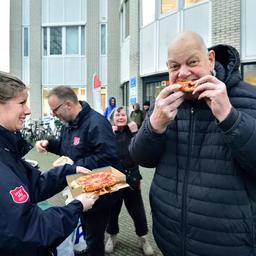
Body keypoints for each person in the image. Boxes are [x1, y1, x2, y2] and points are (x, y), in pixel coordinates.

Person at [129, 31, 256, 256]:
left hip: (230, 244)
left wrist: (229, 116)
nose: (183, 73)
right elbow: (141, 158)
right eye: (174, 66)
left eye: (192, 62)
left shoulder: (247, 98)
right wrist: (154, 126)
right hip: (169, 239)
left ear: (210, 59)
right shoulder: (165, 104)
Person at [0, 72, 98, 256]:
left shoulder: (6, 149)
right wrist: (76, 206)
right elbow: (28, 230)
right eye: (21, 103)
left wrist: (70, 170)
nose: (28, 110)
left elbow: (34, 184)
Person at [35, 86, 120, 256]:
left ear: (68, 104)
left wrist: (73, 165)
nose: (53, 114)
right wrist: (49, 144)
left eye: (54, 110)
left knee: (94, 238)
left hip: (98, 192)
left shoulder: (97, 123)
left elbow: (109, 157)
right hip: (79, 188)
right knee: (85, 230)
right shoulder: (69, 123)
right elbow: (67, 146)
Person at [104, 107, 154, 255]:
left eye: (123, 114)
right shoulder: (108, 133)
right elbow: (104, 154)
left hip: (132, 177)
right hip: (113, 179)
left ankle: (143, 238)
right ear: (113, 118)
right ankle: (112, 236)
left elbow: (142, 151)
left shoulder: (133, 132)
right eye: (117, 115)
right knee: (113, 211)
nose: (120, 117)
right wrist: (110, 135)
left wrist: (135, 132)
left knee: (137, 211)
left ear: (128, 117)